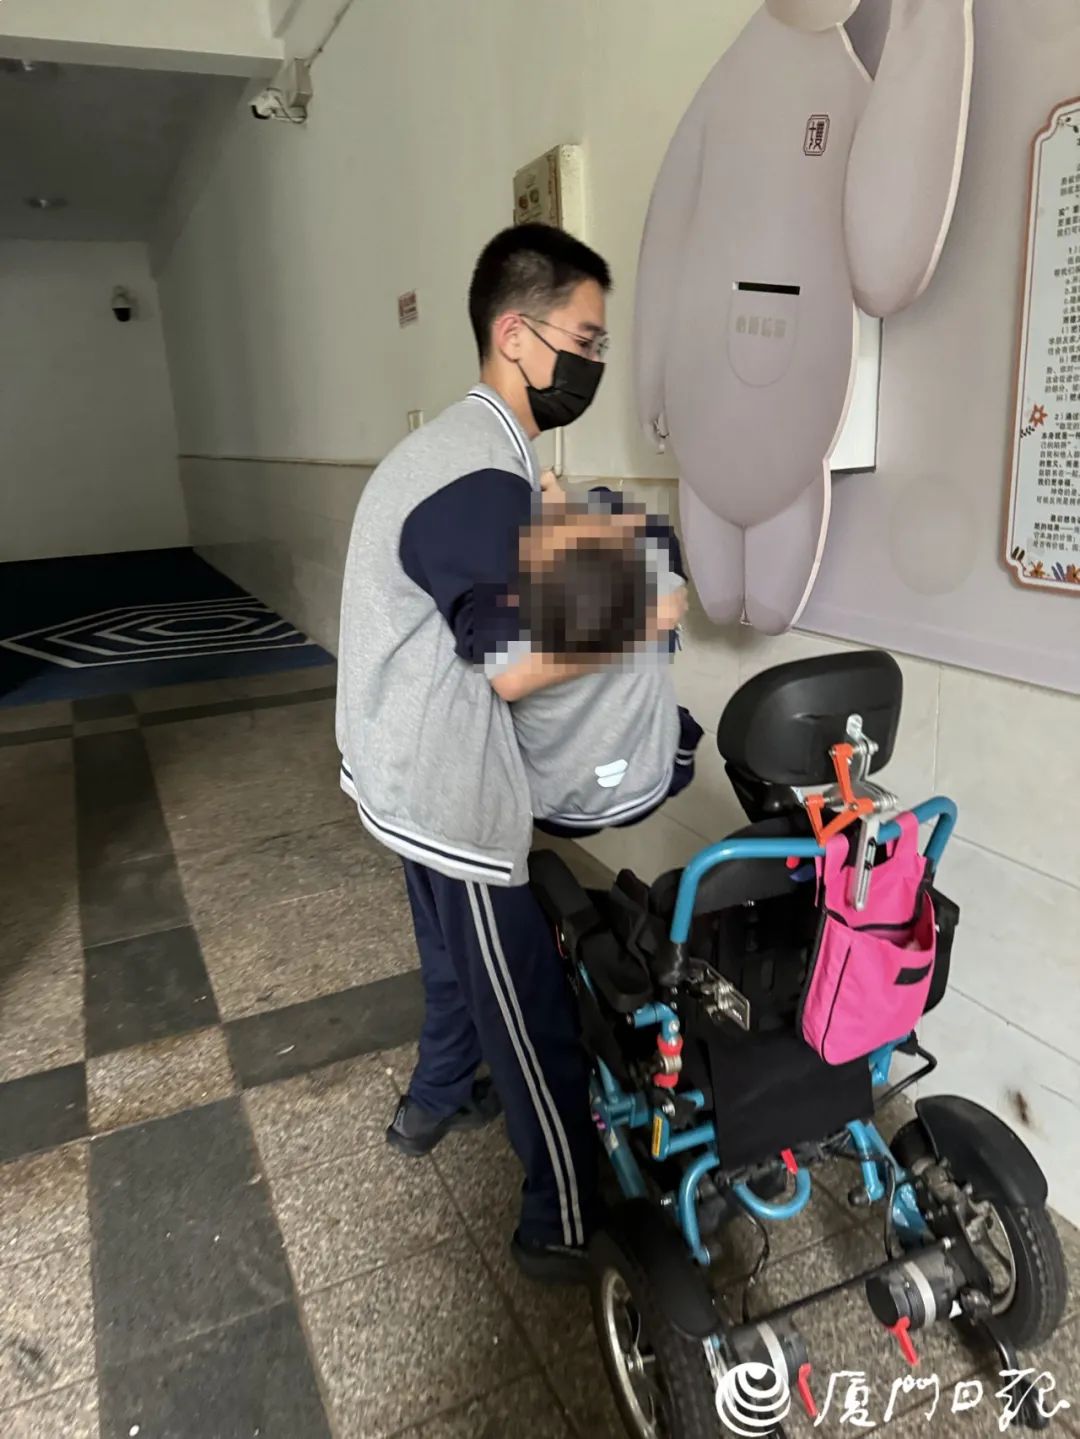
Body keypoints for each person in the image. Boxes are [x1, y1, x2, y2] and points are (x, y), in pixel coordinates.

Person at [336, 223, 626, 1282]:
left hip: (393, 767)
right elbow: (512, 665)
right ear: (516, 334)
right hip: (445, 787)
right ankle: (563, 1216)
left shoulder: (468, 450)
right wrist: (641, 606)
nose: (594, 362)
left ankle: (435, 1097)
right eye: (584, 340)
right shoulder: (475, 471)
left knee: (453, 962)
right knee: (527, 1003)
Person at [509, 494, 703, 839]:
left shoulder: (510, 631)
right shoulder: (657, 597)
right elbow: (655, 534)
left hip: (555, 808)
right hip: (649, 786)